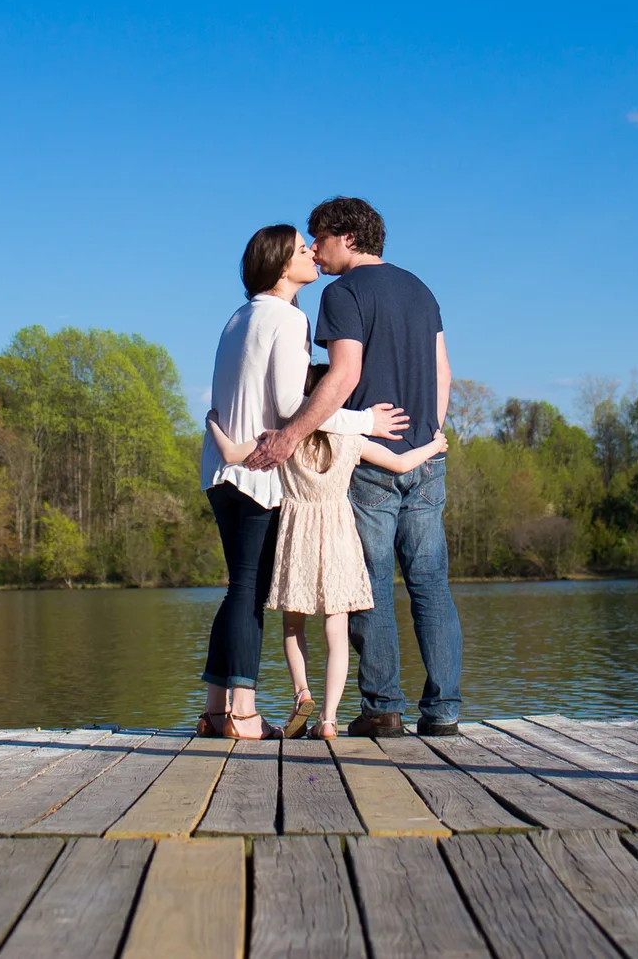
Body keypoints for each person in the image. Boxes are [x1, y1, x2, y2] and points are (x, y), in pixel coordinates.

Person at [244, 196, 461, 738]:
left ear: (346, 235)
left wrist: (293, 433)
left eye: (319, 237)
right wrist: (431, 434)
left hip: (367, 461)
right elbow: (444, 373)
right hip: (424, 456)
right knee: (431, 584)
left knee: (368, 587)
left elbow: (342, 376)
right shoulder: (421, 289)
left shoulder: (344, 294)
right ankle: (443, 712)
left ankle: (383, 708)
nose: (315, 250)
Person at [194, 224, 406, 739]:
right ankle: (242, 714)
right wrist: (365, 423)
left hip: (221, 469)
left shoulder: (236, 318)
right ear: (280, 264)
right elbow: (296, 408)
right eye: (301, 249)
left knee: (237, 587)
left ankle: (215, 709)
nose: (312, 253)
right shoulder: (288, 320)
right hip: (260, 473)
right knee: (249, 589)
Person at [207, 401, 444, 737]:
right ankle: (329, 719)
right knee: (336, 634)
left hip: (297, 540)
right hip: (338, 540)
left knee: (293, 627)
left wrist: (213, 422)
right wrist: (436, 445)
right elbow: (403, 463)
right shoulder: (351, 440)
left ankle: (301, 692)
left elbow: (231, 454)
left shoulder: (282, 441)